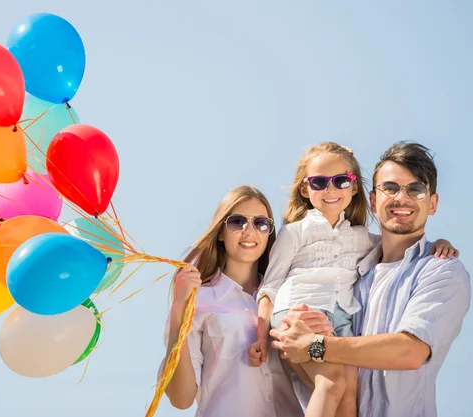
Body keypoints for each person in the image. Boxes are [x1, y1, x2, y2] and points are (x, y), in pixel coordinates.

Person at [249, 142, 458, 417]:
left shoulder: (364, 241)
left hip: (339, 319)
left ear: (354, 187)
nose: (331, 189)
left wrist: (438, 243)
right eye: (320, 182)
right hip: (301, 311)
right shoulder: (294, 232)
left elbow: (400, 245)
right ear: (304, 188)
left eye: (340, 181)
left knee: (350, 397)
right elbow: (271, 285)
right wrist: (261, 335)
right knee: (332, 384)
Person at [161, 185, 304, 417]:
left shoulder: (289, 295)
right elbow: (181, 398)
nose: (250, 231)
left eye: (261, 223)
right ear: (220, 231)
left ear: (270, 233)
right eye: (237, 221)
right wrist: (179, 309)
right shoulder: (198, 300)